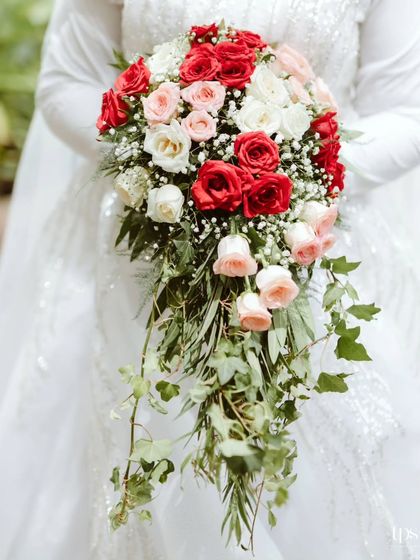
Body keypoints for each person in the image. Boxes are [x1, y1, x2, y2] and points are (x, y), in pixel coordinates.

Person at [1, 0, 420, 558]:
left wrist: (289, 178)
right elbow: (66, 85)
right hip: (145, 253)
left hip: (311, 251)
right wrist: (158, 157)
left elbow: (406, 112)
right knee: (154, 455)